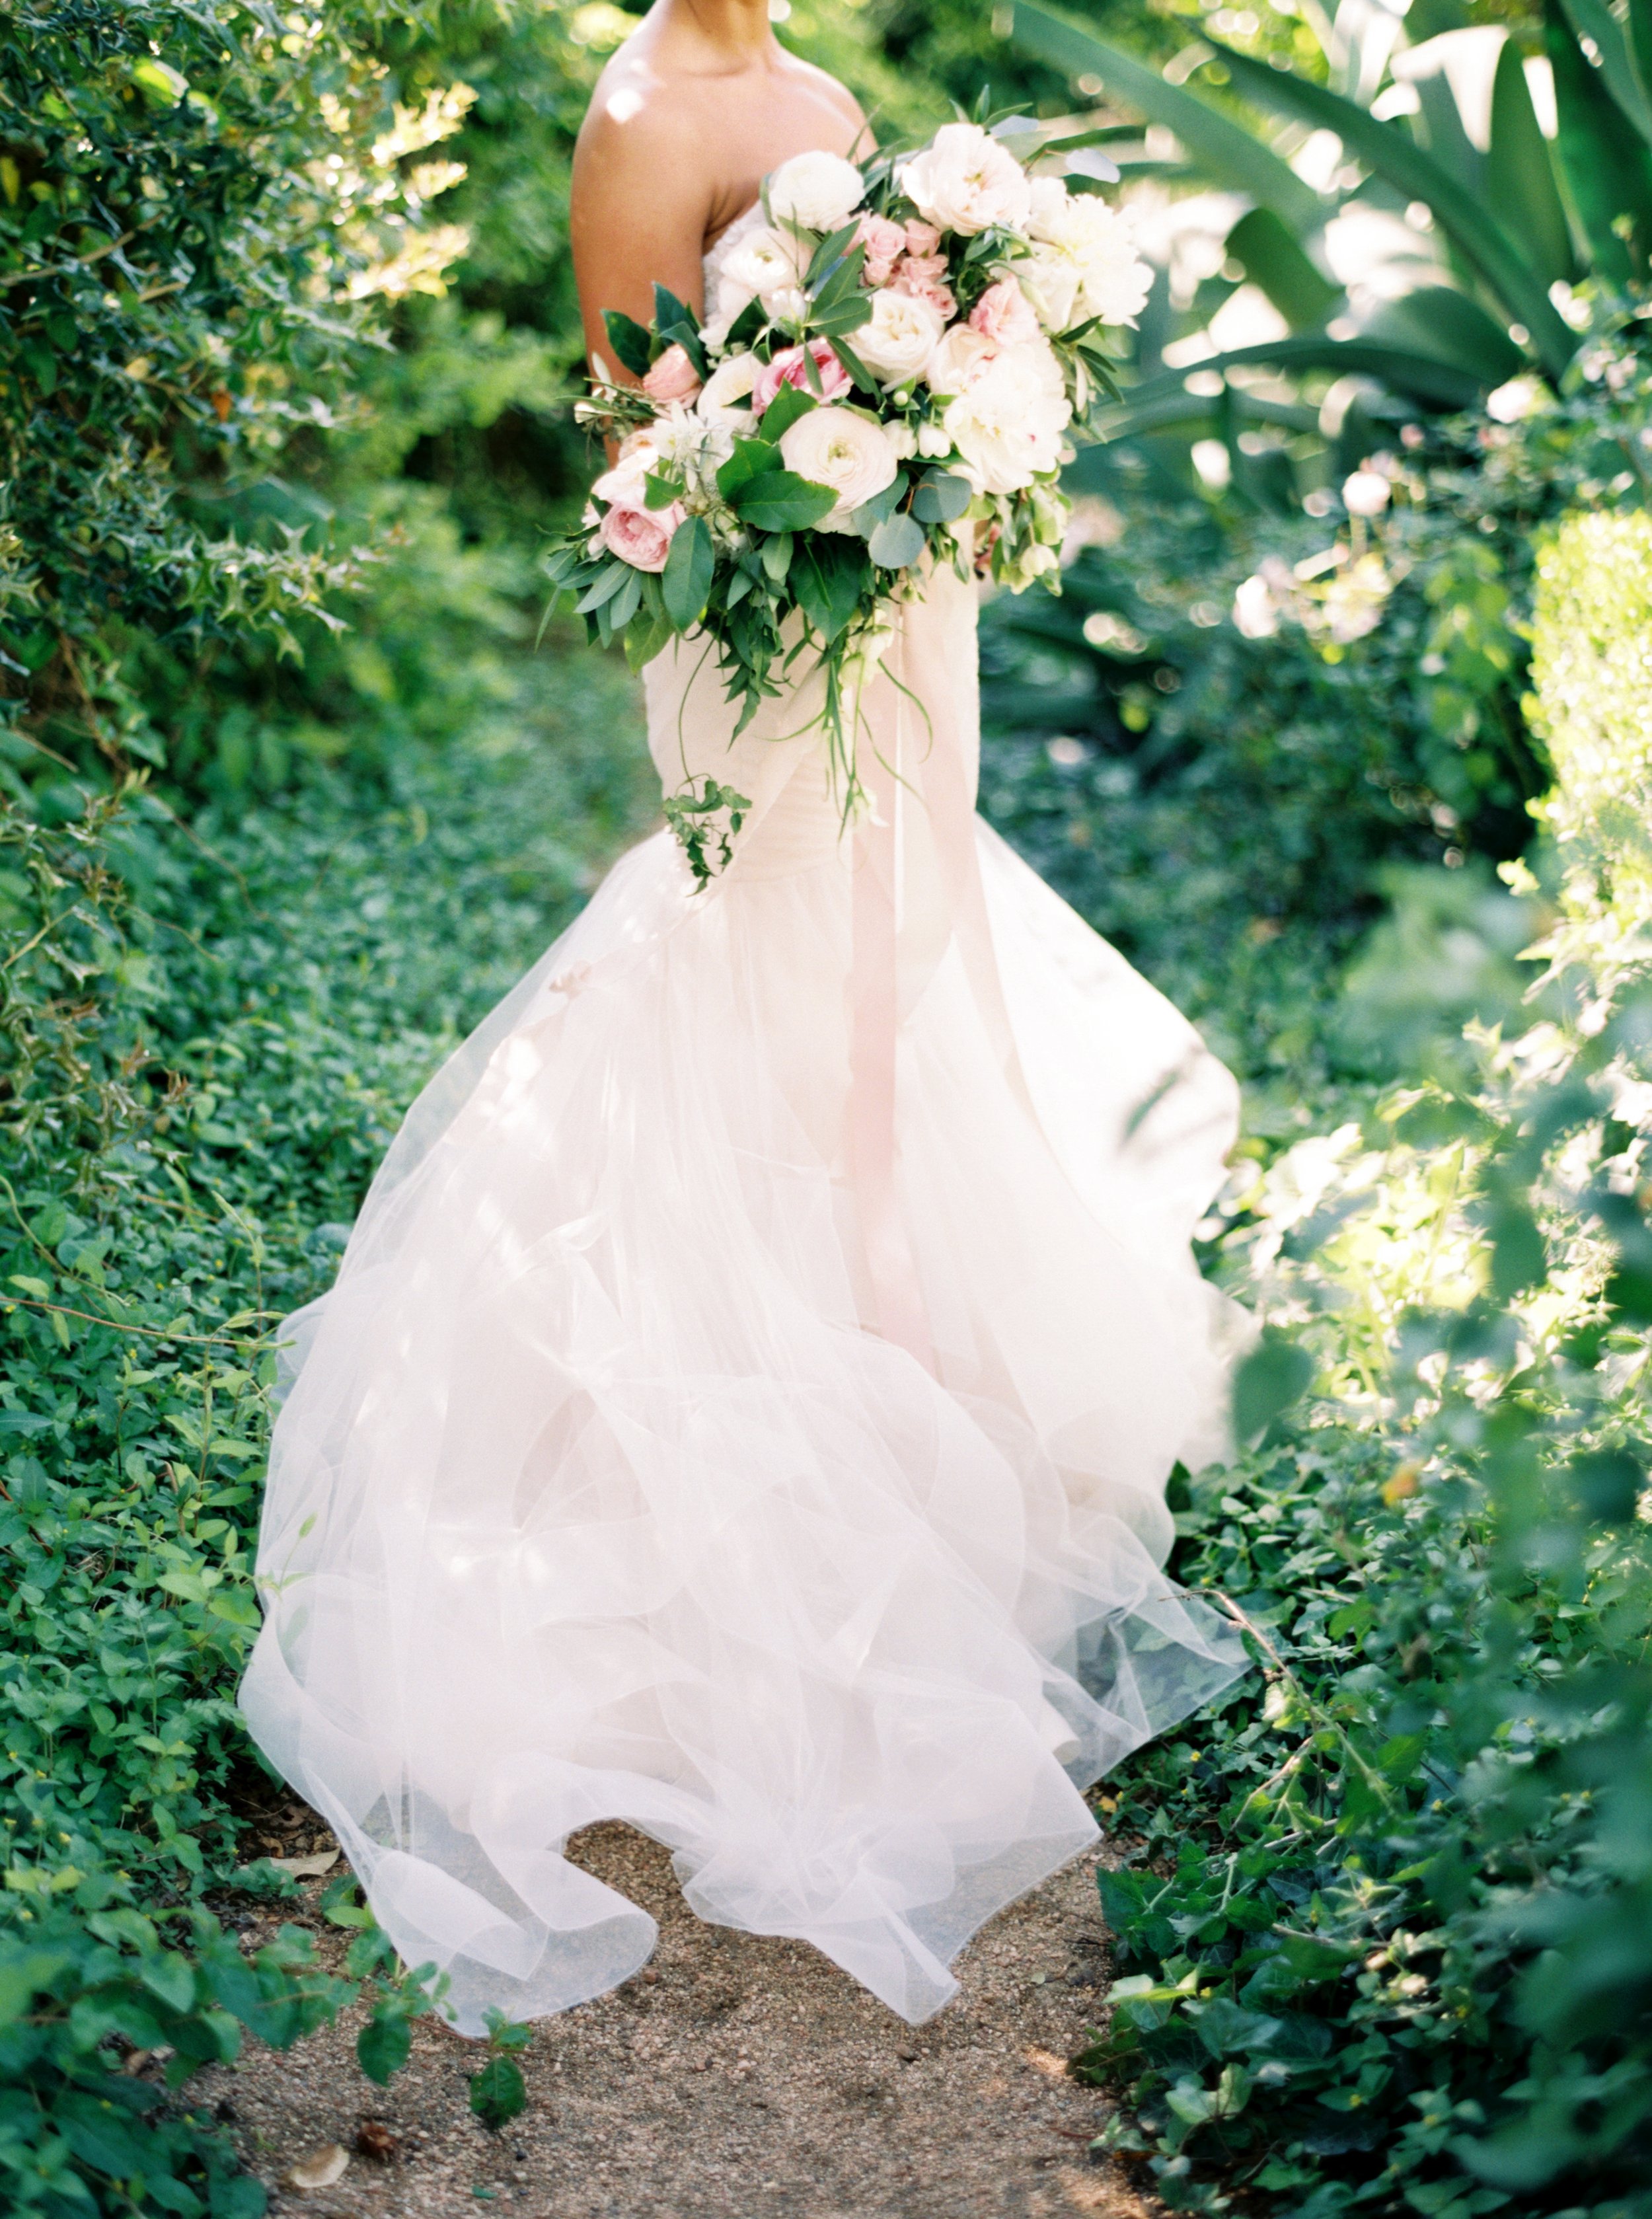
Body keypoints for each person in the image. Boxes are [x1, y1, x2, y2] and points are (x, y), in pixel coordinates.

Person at [240, 0, 1249, 2040]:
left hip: (895, 594)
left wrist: (954, 426)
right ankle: (762, 1416)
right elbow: (639, 437)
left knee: (894, 958)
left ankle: (899, 1329)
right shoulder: (640, 113)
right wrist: (795, 499)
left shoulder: (815, 94)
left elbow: (902, 310)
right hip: (755, 613)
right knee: (773, 946)